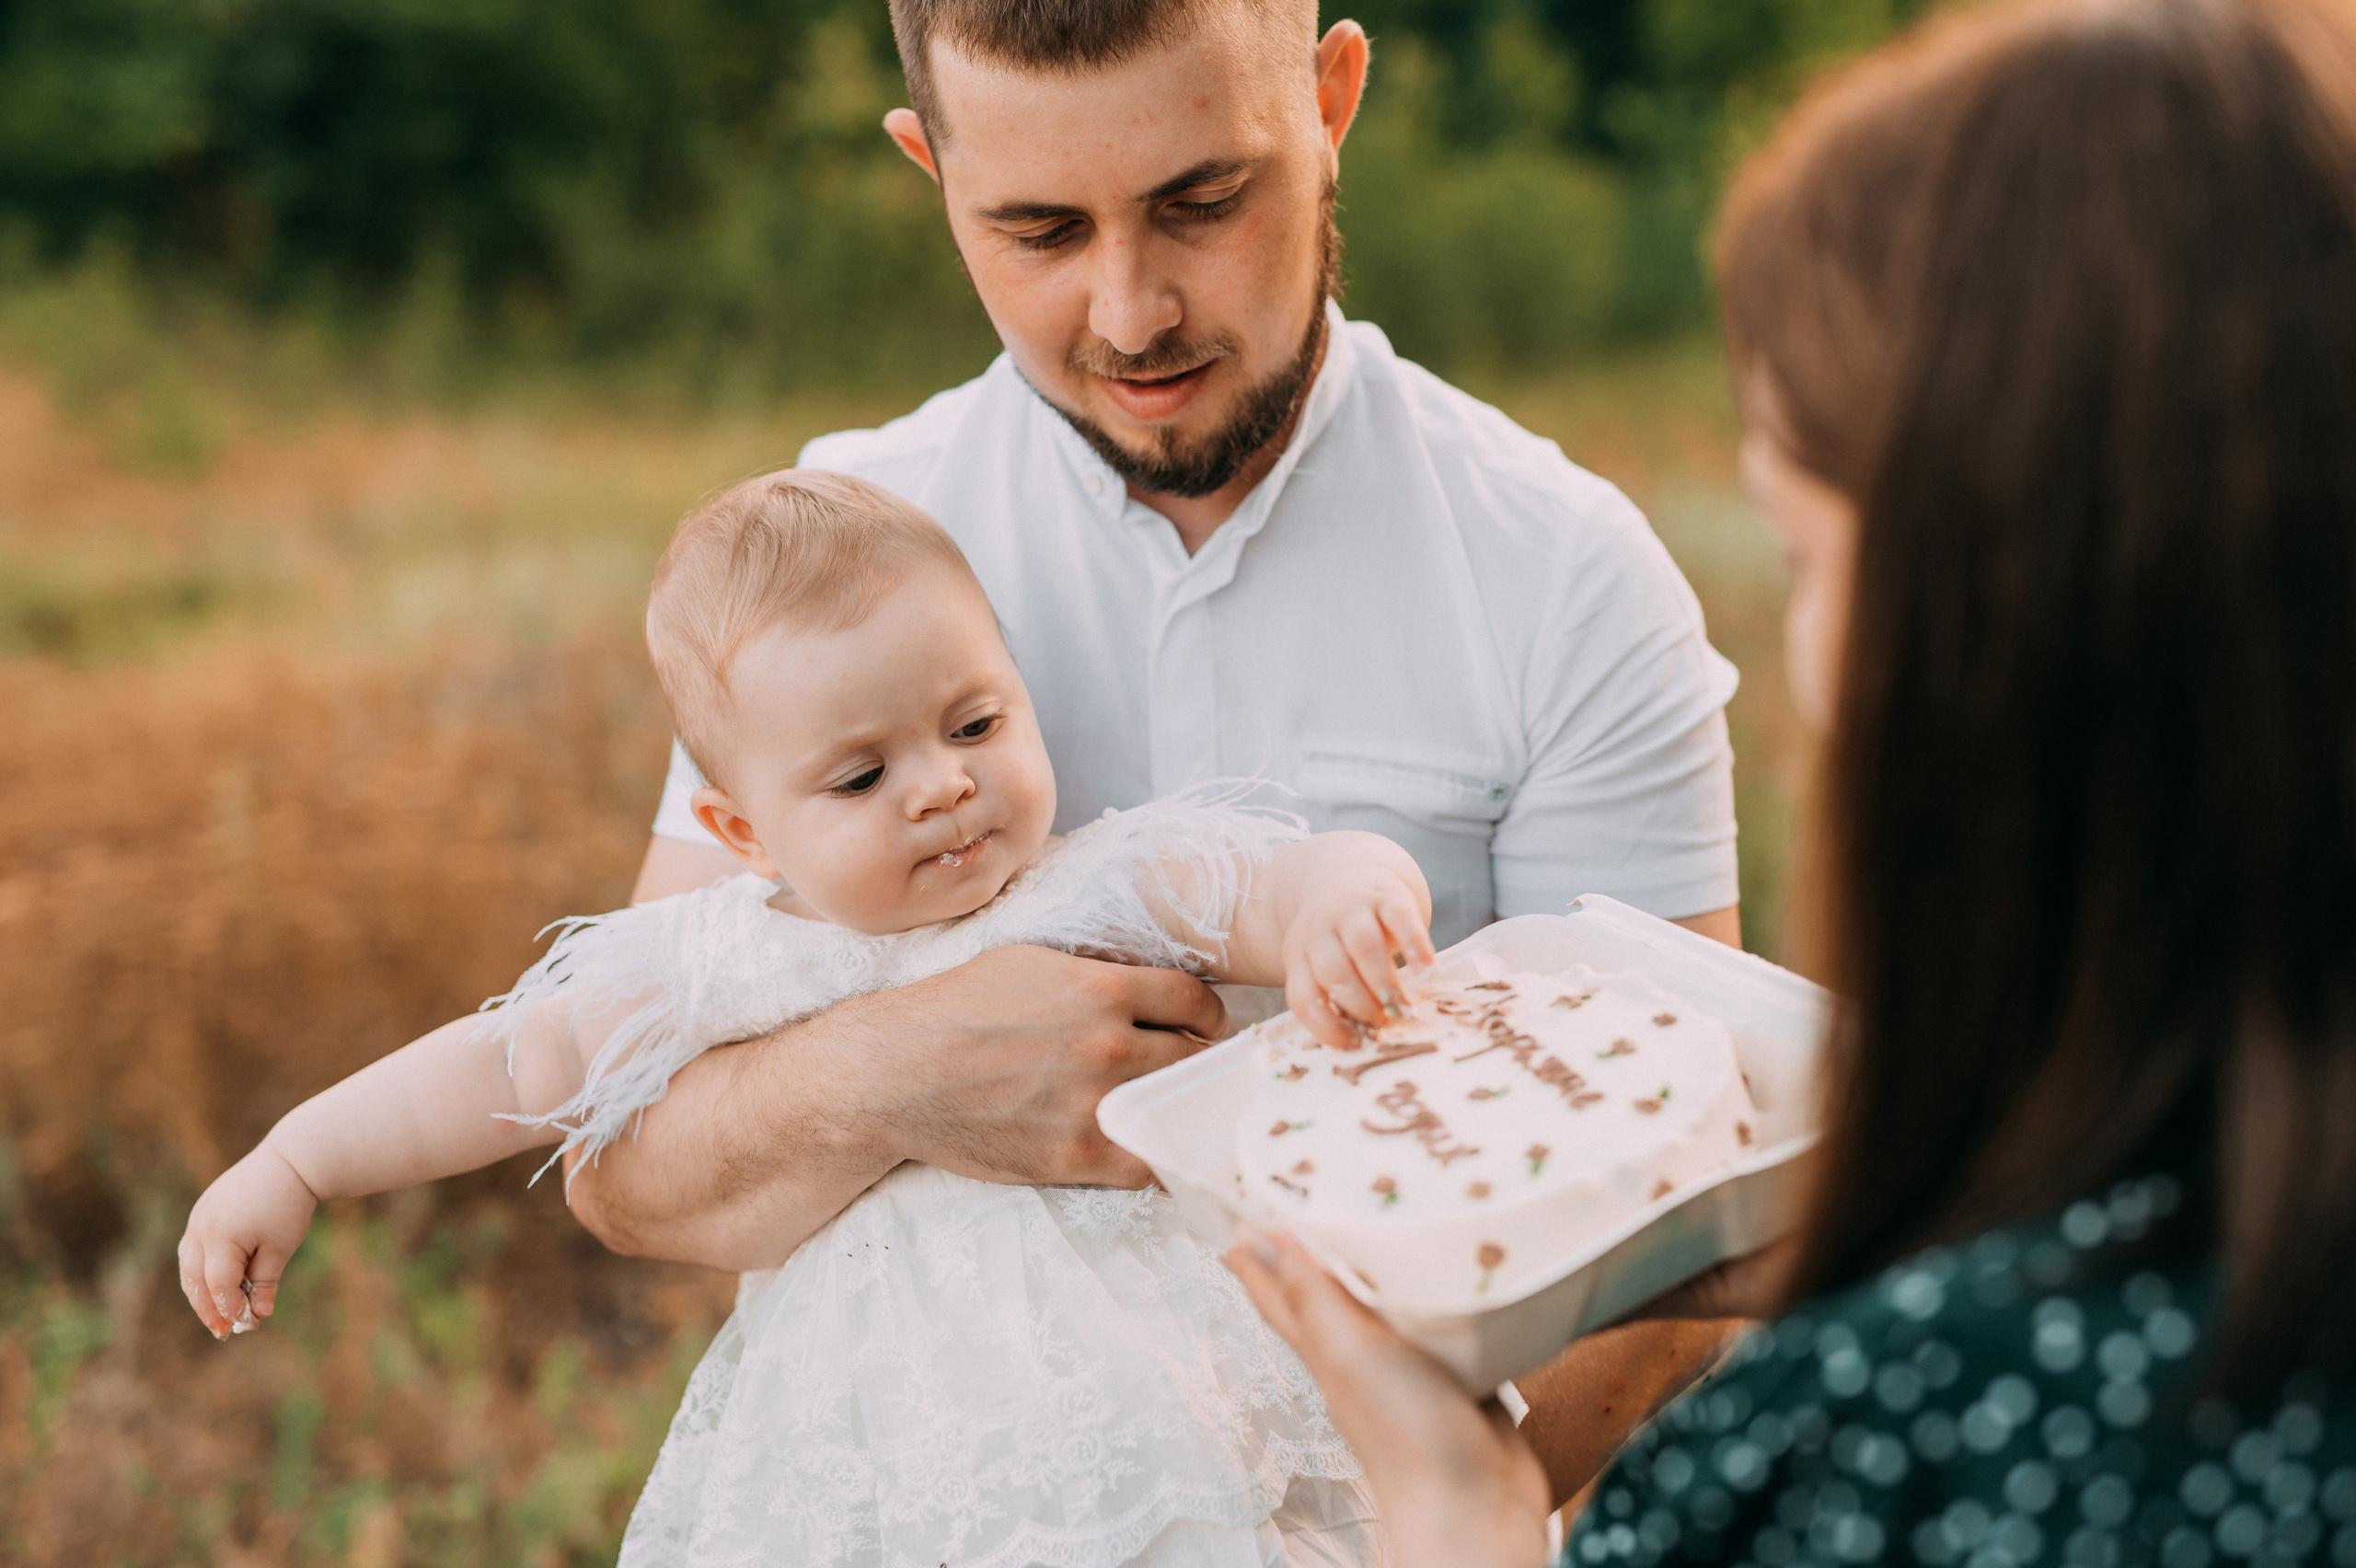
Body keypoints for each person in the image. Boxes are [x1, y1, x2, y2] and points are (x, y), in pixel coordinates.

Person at [1221, 0, 2356, 1562]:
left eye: (1811, 554)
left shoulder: (1877, 1447)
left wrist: (1456, 1507)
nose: (1812, 663)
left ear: (1992, 629)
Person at [573, 0, 1752, 1493]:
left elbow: (1680, 1220)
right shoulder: (822, 571)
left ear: (1330, 102)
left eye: (1203, 203)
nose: (1131, 315)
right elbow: (623, 1167)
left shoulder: (1567, 574)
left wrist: (1399, 1532)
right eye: (1040, 232)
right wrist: (896, 1071)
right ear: (929, 167)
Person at [180, 468, 1452, 1564]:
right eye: (861, 774)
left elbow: (1277, 882)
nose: (944, 787)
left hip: (1148, 1408)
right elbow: (517, 1054)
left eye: (976, 722)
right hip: (875, 1452)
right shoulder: (729, 958)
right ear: (742, 830)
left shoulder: (1095, 881)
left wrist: (1350, 896)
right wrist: (299, 1159)